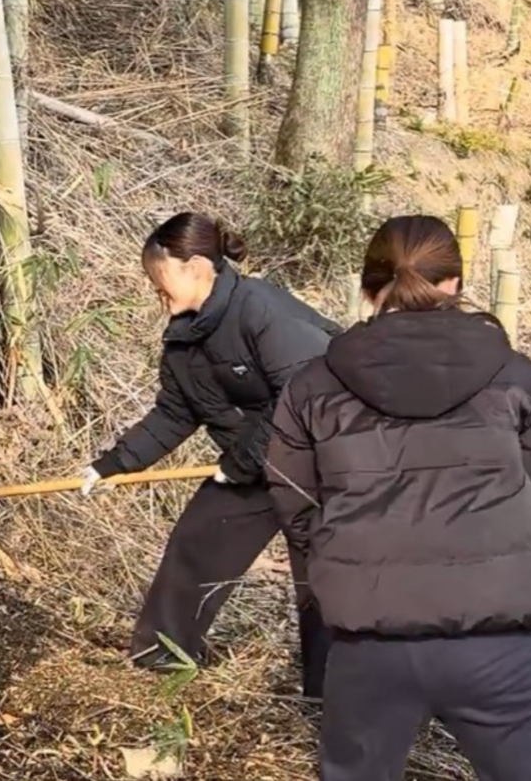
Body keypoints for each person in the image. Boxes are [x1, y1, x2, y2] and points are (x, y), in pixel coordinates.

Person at [267, 215, 531, 781]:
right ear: (455, 283)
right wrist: (512, 554)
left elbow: (296, 500)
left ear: (368, 289)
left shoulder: (312, 386)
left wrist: (347, 563)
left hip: (371, 639)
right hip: (507, 634)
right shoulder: (516, 375)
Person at [82, 212, 340, 698]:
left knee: (327, 579)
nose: (155, 289)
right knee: (199, 540)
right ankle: (163, 656)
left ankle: (335, 692)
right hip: (254, 464)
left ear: (198, 267)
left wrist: (241, 461)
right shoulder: (184, 337)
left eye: (161, 277)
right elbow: (175, 412)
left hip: (323, 463)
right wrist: (114, 463)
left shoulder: (260, 308)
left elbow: (305, 389)